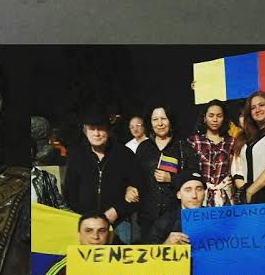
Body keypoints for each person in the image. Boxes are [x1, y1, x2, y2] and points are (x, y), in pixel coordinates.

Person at [63, 106, 141, 245]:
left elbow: (139, 190)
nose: (97, 133)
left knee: (120, 263)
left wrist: (116, 211)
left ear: (108, 130)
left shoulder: (125, 155)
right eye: (92, 129)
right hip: (86, 224)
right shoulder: (76, 156)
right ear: (85, 130)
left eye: (101, 128)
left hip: (118, 223)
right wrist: (87, 218)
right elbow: (69, 194)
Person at [135, 105, 191, 242]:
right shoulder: (143, 147)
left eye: (163, 119)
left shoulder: (182, 146)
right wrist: (130, 188)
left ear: (170, 121)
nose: (159, 123)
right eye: (155, 119)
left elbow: (192, 176)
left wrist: (172, 178)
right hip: (147, 216)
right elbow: (135, 177)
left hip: (174, 216)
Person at [186, 101, 236, 206]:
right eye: (211, 115)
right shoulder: (194, 141)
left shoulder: (231, 142)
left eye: (219, 116)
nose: (215, 120)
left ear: (224, 118)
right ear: (204, 118)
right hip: (200, 197)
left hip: (224, 197)